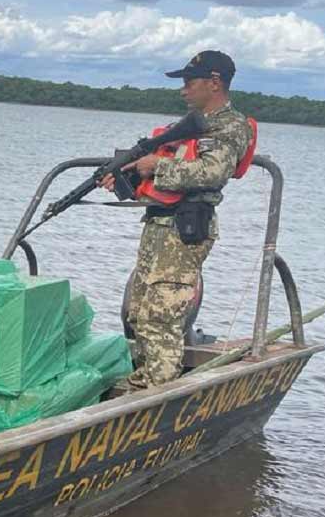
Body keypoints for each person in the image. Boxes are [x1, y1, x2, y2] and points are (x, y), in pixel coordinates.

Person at [103, 51, 254, 388]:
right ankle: (144, 380)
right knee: (138, 312)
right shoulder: (183, 126)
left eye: (189, 82)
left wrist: (156, 166)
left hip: (186, 228)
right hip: (158, 224)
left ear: (214, 82)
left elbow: (212, 172)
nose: (183, 90)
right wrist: (125, 177)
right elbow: (155, 168)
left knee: (162, 316)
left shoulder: (231, 126)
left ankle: (159, 392)